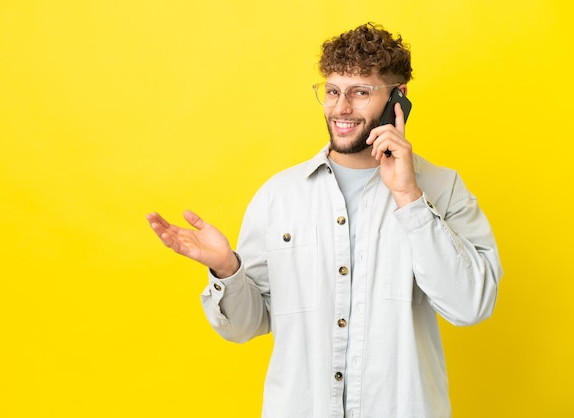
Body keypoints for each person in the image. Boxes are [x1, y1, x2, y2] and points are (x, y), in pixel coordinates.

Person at [147, 22, 502, 418]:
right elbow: (245, 326)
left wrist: (408, 196)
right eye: (332, 92)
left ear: (397, 100)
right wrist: (227, 269)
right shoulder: (278, 195)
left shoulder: (442, 189)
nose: (341, 108)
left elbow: (471, 306)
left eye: (360, 93)